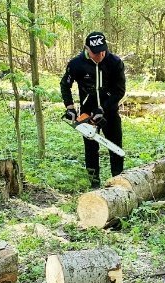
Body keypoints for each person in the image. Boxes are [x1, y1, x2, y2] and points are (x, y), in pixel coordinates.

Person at [60, 32, 126, 189]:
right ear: (87, 49)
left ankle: (118, 182)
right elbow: (65, 84)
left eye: (103, 51)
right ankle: (94, 183)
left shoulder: (115, 62)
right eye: (96, 52)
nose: (100, 55)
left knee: (115, 147)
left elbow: (120, 90)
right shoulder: (76, 64)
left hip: (109, 112)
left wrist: (103, 108)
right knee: (91, 149)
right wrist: (69, 107)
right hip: (87, 114)